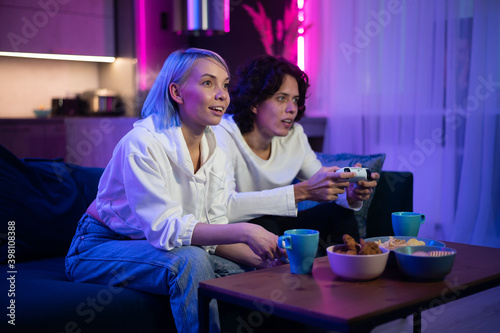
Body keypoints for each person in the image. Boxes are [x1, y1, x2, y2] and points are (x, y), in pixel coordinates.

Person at [65, 48, 284, 333]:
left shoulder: (215, 146)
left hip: (155, 244)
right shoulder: (142, 143)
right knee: (191, 262)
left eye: (226, 84)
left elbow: (210, 226)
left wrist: (257, 258)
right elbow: (164, 228)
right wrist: (244, 231)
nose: (222, 94)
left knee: (251, 272)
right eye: (208, 83)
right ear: (177, 92)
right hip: (98, 245)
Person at [213, 55, 380, 250]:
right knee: (265, 225)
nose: (292, 109)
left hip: (277, 223)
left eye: (295, 100)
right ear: (255, 103)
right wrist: (300, 192)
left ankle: (351, 270)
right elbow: (224, 208)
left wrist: (349, 193)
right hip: (239, 229)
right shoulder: (222, 133)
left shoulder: (295, 136)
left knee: (339, 214)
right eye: (281, 98)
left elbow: (322, 181)